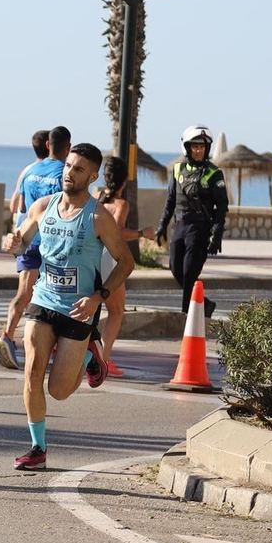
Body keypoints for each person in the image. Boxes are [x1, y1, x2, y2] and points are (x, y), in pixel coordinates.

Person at [1, 143, 133, 471]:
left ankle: (90, 354)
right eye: (68, 166)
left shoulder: (98, 217)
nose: (69, 173)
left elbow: (125, 262)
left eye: (77, 169)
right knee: (32, 373)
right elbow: (21, 239)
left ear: (92, 176)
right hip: (44, 300)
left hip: (78, 309)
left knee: (59, 391)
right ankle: (37, 448)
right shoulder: (44, 206)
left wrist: (98, 297)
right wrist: (12, 243)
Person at [0, 125, 70, 369]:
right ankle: (53, 346)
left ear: (48, 145)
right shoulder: (65, 174)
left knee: (25, 291)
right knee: (56, 297)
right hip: (51, 242)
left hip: (25, 237)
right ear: (68, 148)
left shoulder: (29, 171)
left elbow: (18, 206)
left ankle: (7, 335)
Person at [156, 125, 228, 316]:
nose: (199, 150)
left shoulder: (214, 173)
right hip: (180, 226)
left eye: (202, 147)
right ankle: (204, 304)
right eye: (195, 146)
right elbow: (170, 200)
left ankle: (185, 316)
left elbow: (222, 207)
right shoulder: (178, 169)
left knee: (189, 273)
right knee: (175, 268)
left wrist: (216, 234)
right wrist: (162, 225)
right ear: (187, 148)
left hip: (200, 228)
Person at [95, 154, 149, 377]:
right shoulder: (121, 205)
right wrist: (142, 233)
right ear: (124, 181)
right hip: (110, 259)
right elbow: (116, 234)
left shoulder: (95, 197)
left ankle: (78, 353)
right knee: (116, 312)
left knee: (90, 308)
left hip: (91, 257)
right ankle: (102, 361)